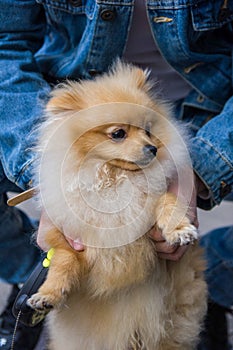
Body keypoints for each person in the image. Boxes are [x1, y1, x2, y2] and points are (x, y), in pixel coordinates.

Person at [0, 0, 232, 349]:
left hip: (207, 118)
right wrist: (52, 180)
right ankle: (43, 277)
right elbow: (5, 42)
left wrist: (200, 168)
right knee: (67, 254)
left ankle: (213, 276)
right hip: (66, 105)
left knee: (174, 247)